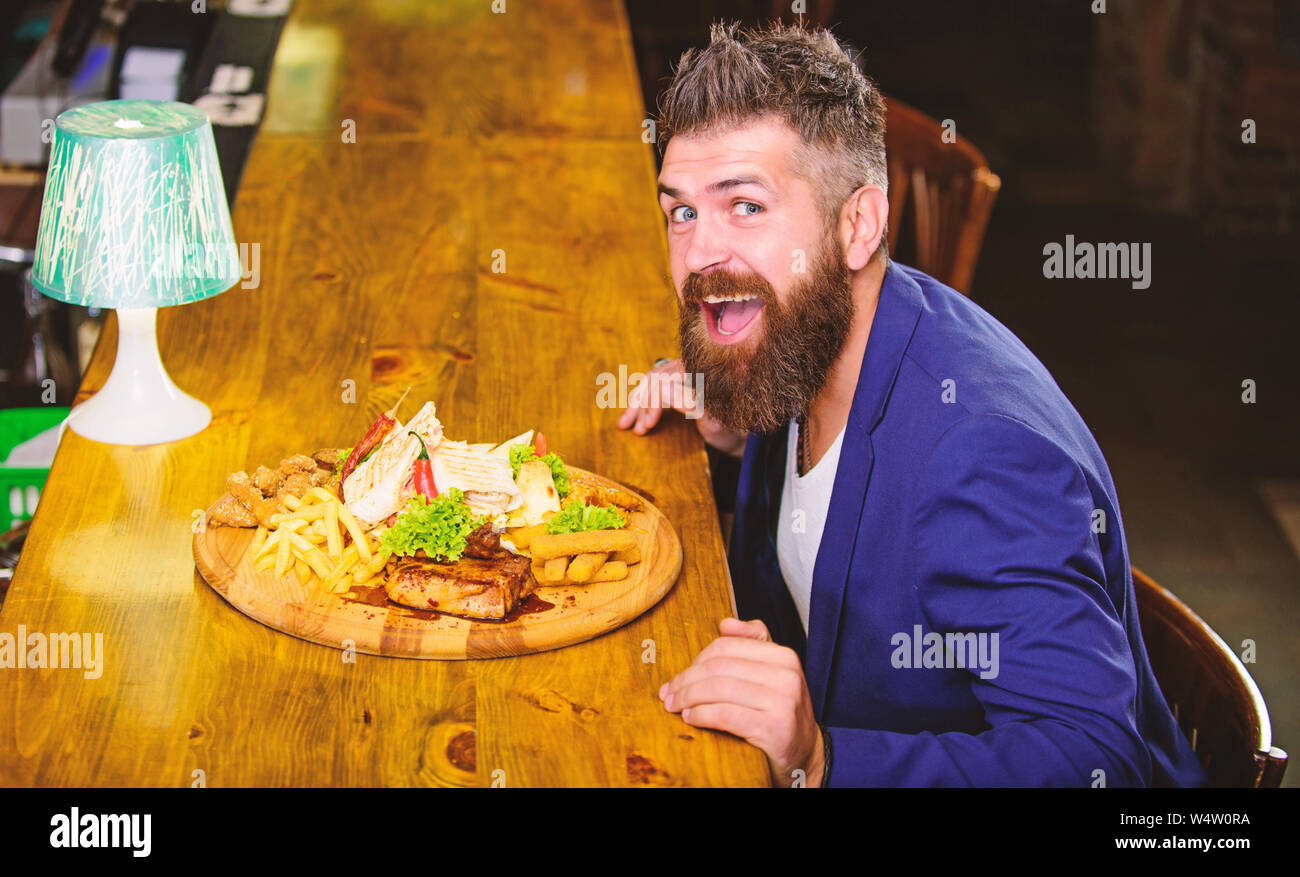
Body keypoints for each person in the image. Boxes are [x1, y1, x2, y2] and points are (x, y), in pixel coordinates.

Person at [617, 21, 1206, 787]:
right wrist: (732, 433)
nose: (698, 254)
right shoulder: (806, 330)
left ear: (858, 224)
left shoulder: (982, 455)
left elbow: (1096, 759)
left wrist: (821, 757)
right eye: (683, 212)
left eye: (747, 207)